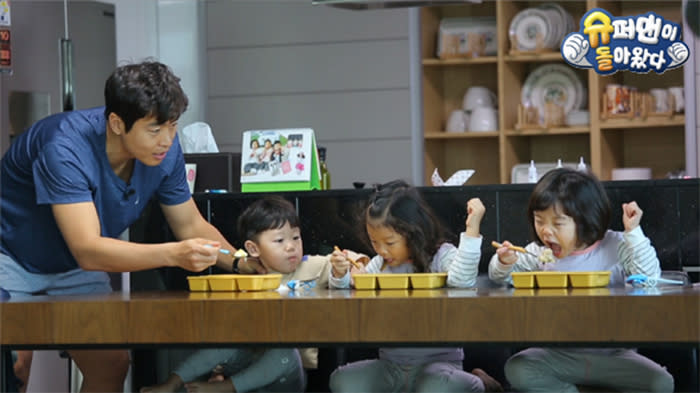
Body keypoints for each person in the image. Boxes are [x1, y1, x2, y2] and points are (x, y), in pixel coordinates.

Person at [0, 61, 264, 392]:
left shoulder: (164, 152)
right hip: (10, 256)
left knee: (111, 363)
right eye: (155, 129)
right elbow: (89, 250)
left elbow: (190, 223)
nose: (167, 140)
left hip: (71, 265)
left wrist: (241, 263)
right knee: (15, 367)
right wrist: (173, 254)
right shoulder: (63, 147)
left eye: (172, 126)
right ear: (116, 123)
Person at [140, 196, 367, 393]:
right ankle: (172, 383)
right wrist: (219, 369)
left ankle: (226, 388)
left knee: (283, 351)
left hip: (288, 372)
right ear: (253, 249)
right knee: (224, 341)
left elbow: (354, 265)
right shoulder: (247, 276)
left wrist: (341, 268)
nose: (291, 246)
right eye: (280, 240)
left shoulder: (314, 266)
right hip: (245, 364)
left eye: (296, 238)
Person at [489, 168, 674, 392]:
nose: (546, 232)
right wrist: (505, 261)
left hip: (614, 356)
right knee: (518, 368)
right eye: (539, 221)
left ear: (587, 219)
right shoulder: (537, 254)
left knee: (661, 383)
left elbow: (649, 279)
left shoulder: (617, 245)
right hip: (558, 356)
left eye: (558, 224)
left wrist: (633, 233)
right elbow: (499, 276)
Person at [327, 179, 503, 393]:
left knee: (436, 388)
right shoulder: (379, 264)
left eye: (390, 243)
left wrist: (472, 227)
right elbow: (349, 292)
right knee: (341, 381)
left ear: (414, 232)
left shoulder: (441, 256)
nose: (381, 250)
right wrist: (340, 273)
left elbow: (462, 281)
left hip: (439, 368)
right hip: (390, 367)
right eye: (374, 242)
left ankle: (480, 383)